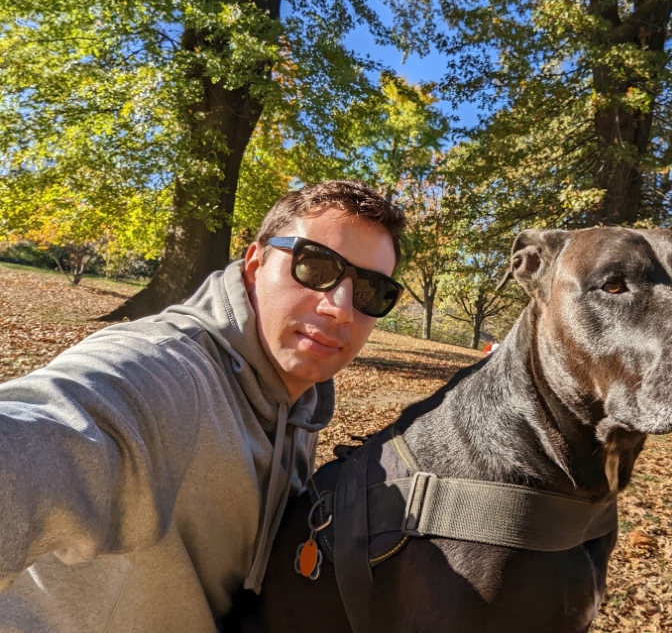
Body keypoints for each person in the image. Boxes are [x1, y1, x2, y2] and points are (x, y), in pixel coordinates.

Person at [0, 180, 404, 632]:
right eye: (316, 266)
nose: (341, 308)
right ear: (255, 264)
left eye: (371, 291)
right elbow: (48, 434)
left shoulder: (301, 407)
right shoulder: (166, 377)